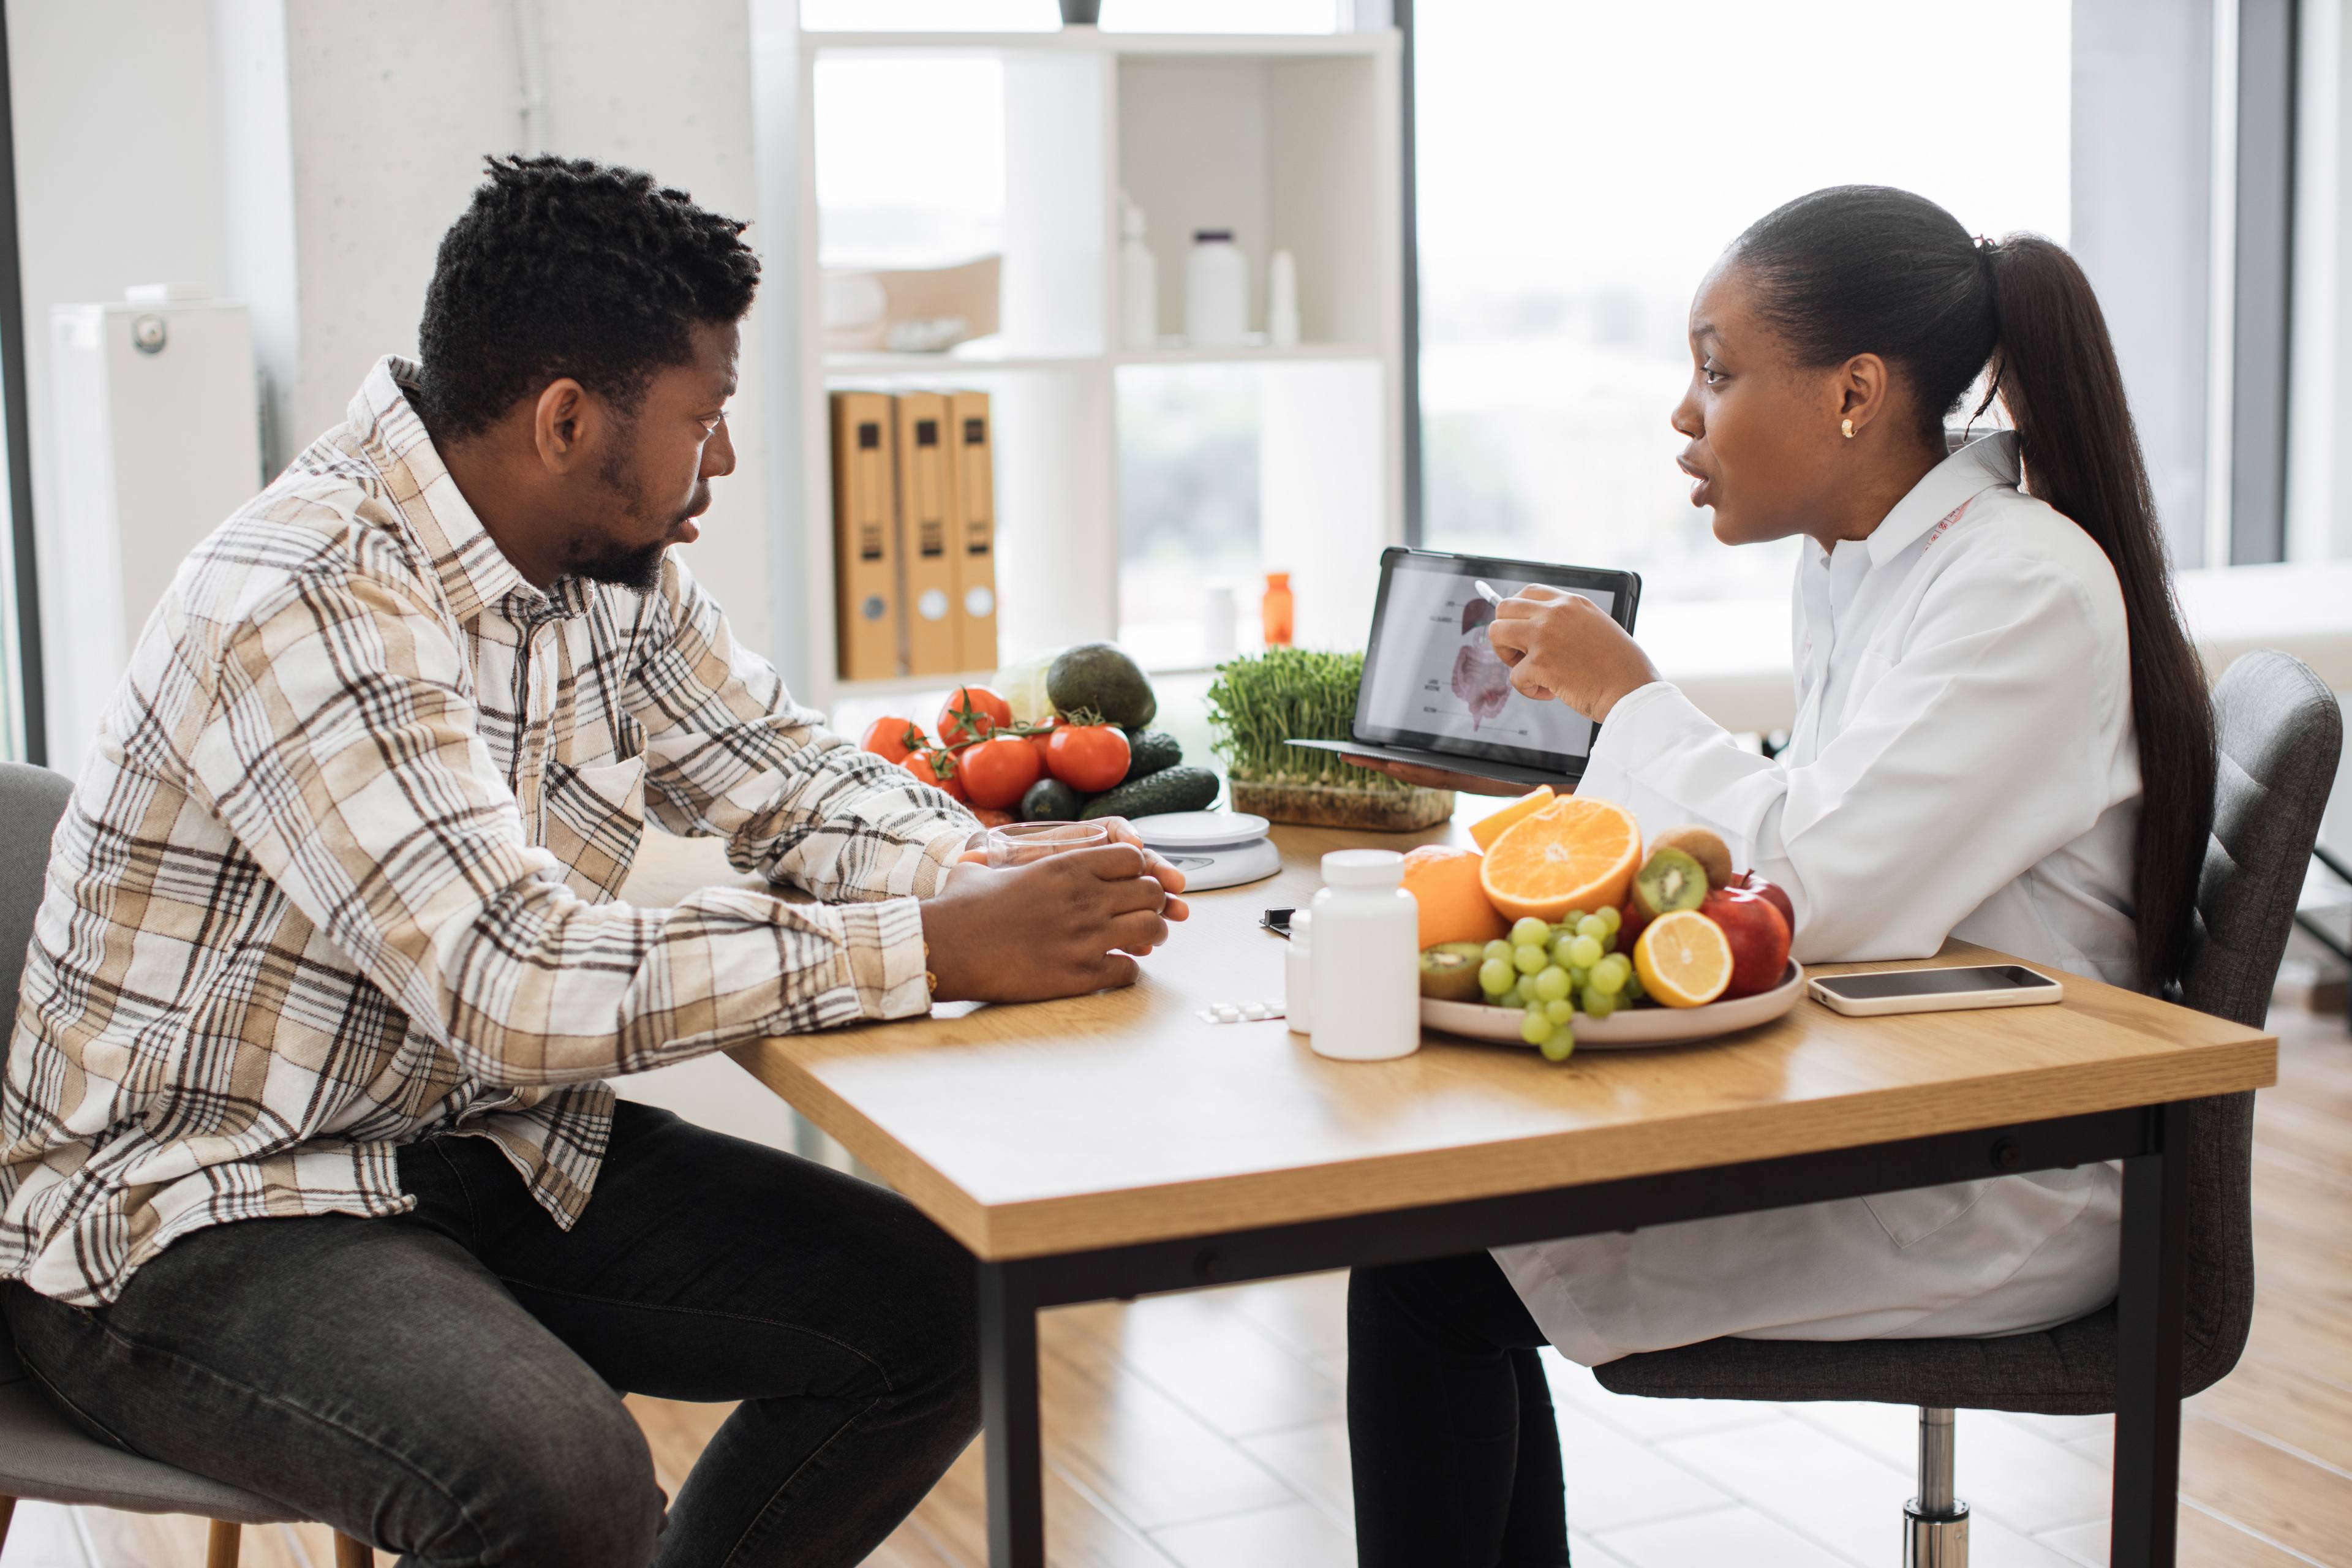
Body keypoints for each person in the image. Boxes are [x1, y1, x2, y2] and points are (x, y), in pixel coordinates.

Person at [0, 154, 1186, 1568]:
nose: (725, 461)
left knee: (938, 1313)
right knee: (558, 1482)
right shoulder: (308, 595)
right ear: (568, 419)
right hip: (191, 1203)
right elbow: (514, 977)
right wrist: (929, 946)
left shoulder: (604, 575)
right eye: (707, 417)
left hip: (459, 1138)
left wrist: (970, 868)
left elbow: (784, 773)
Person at [1341, 184, 2215, 1566]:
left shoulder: (2023, 588)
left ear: (1857, 393)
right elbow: (1809, 827)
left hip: (1999, 1168)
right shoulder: (1861, 565)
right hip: (1896, 1084)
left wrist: (1628, 701)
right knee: (1438, 1232)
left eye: (1716, 370)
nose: (1685, 418)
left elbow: (1818, 889)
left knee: (1428, 1261)